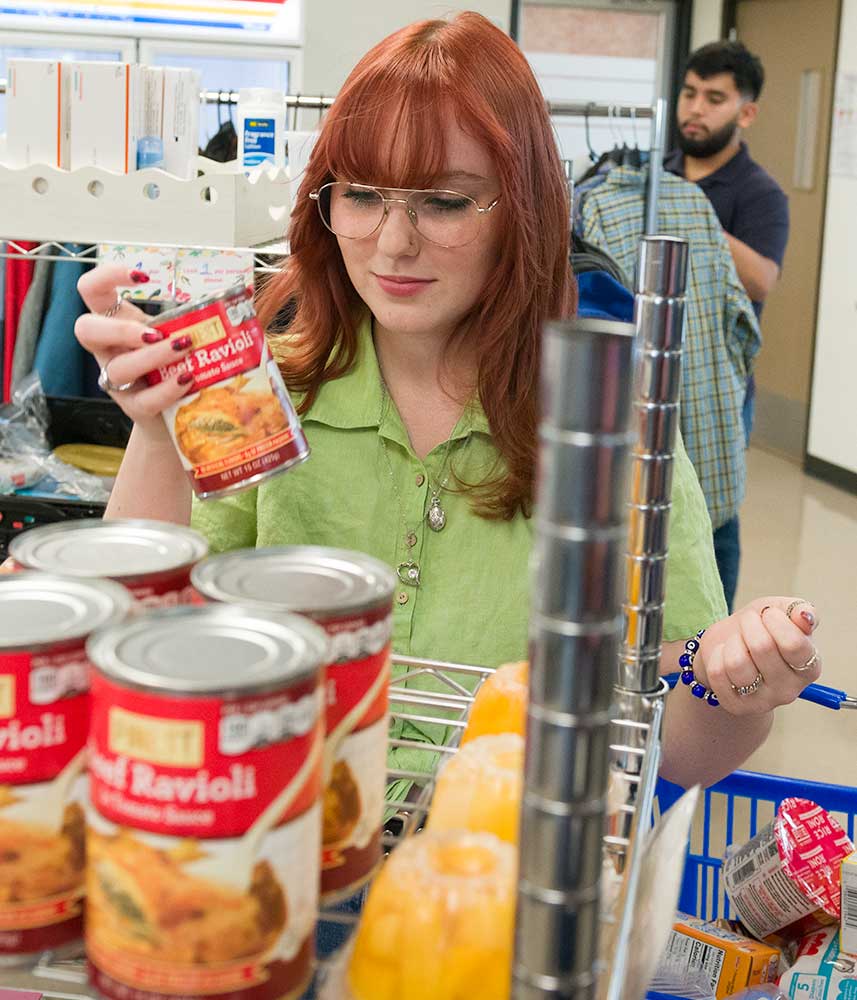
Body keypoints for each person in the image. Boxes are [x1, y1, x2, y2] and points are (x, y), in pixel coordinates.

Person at [74, 12, 820, 794]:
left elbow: (678, 749)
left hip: (501, 879)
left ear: (522, 210)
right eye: (361, 195)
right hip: (274, 845)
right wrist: (157, 433)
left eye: (444, 203)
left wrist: (739, 685)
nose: (393, 245)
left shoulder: (608, 426)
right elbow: (134, 643)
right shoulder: (267, 389)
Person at [665, 40, 789, 610]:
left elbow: (763, 278)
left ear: (746, 112)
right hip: (658, 372)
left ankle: (711, 636)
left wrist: (695, 211)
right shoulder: (655, 176)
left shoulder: (760, 194)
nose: (695, 108)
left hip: (721, 386)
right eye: (690, 93)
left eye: (714, 98)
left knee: (714, 514)